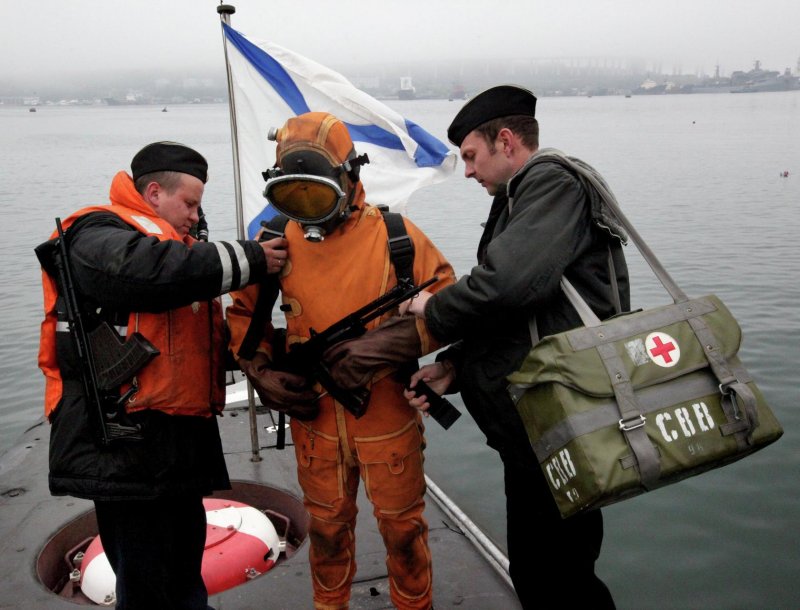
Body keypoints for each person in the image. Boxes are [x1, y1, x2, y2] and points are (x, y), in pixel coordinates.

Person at [35, 141, 288, 609]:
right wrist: (252, 258)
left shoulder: (184, 256)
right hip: (127, 450)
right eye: (189, 203)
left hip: (178, 449)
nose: (195, 215)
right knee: (146, 582)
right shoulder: (94, 234)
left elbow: (196, 347)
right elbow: (146, 273)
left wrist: (278, 353)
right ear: (154, 193)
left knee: (182, 571)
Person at [404, 85, 628, 609]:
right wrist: (455, 367)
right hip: (535, 426)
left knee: (562, 579)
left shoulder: (552, 184)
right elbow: (520, 313)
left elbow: (505, 286)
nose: (467, 171)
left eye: (471, 156)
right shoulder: (520, 195)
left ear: (505, 141)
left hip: (561, 419)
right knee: (539, 572)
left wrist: (429, 308)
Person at [226, 111, 455, 610]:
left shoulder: (396, 238)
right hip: (315, 423)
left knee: (403, 532)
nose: (306, 209)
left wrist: (380, 348)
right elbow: (245, 316)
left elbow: (451, 308)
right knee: (326, 532)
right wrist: (260, 371)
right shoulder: (274, 241)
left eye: (316, 194)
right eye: (294, 195)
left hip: (387, 417)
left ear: (349, 178)